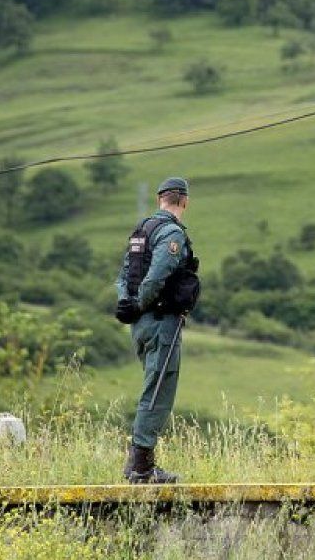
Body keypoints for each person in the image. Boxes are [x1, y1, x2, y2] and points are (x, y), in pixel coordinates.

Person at [114, 176, 197, 484]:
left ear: (160, 198)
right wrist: (139, 303)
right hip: (161, 323)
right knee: (159, 391)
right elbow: (156, 276)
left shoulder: (142, 231)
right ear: (184, 201)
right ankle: (141, 467)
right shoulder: (172, 233)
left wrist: (126, 304)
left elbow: (124, 275)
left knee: (152, 387)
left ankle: (140, 464)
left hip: (140, 325)